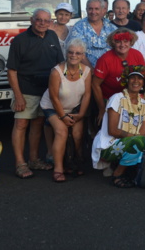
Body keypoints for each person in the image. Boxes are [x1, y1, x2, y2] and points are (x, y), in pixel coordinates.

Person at [8, 9, 64, 179]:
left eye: (46, 21)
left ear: (50, 22)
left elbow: (60, 64)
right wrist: (18, 96)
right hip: (26, 90)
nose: (42, 23)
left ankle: (33, 160)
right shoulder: (20, 40)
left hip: (47, 91)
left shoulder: (52, 37)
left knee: (38, 125)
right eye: (38, 20)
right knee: (21, 125)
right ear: (32, 20)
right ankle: (20, 163)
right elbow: (11, 71)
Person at [40, 38, 91, 181]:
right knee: (62, 132)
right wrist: (62, 116)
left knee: (77, 133)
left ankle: (75, 161)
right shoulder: (56, 72)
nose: (74, 55)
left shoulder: (86, 71)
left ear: (83, 56)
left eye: (78, 53)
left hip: (74, 107)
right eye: (71, 52)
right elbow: (54, 97)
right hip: (53, 107)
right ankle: (58, 169)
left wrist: (80, 114)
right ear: (66, 53)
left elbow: (87, 95)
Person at [91, 67, 145, 187]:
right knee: (138, 142)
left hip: (130, 141)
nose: (136, 81)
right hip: (110, 144)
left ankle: (127, 169)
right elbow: (112, 131)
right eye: (132, 77)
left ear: (144, 83)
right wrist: (135, 137)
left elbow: (143, 132)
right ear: (127, 81)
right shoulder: (117, 98)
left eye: (140, 78)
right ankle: (117, 174)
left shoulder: (144, 104)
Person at [92, 27, 145, 119]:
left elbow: (143, 79)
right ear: (113, 43)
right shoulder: (105, 59)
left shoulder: (137, 55)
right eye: (118, 41)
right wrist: (102, 108)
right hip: (110, 99)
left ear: (131, 42)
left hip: (133, 99)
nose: (122, 45)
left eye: (126, 41)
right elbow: (95, 84)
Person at [66, 0, 116, 67]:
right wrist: (91, 71)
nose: (93, 12)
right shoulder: (78, 27)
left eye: (96, 9)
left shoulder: (112, 28)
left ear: (102, 10)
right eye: (90, 9)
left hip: (109, 70)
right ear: (86, 10)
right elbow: (76, 52)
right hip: (84, 71)